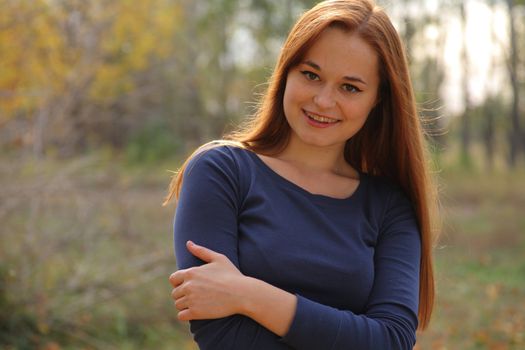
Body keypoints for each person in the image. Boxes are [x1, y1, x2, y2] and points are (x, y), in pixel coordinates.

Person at [165, 0, 438, 348]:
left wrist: (248, 294)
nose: (323, 101)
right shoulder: (222, 172)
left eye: (350, 87)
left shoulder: (390, 207)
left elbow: (391, 340)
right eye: (311, 75)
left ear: (377, 101)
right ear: (285, 73)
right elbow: (221, 335)